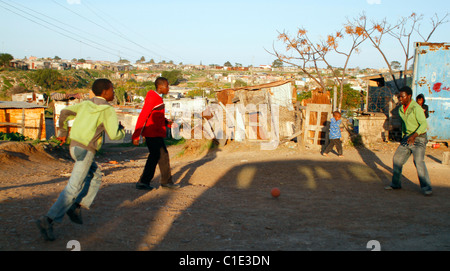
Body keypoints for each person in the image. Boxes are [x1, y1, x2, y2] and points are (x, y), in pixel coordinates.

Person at [36, 79, 125, 241]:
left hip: (74, 147)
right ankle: (48, 220)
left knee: (96, 175)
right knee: (74, 187)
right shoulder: (107, 109)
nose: (113, 92)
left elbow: (64, 113)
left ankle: (76, 206)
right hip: (86, 150)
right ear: (105, 92)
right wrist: (121, 131)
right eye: (112, 89)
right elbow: (114, 135)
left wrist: (62, 132)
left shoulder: (85, 104)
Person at [132, 77, 179, 190]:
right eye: (167, 86)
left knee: (155, 156)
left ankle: (145, 181)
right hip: (152, 133)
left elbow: (156, 116)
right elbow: (144, 115)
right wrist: (136, 135)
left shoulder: (157, 98)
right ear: (160, 87)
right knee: (161, 155)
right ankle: (164, 182)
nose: (168, 88)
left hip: (155, 133)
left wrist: (167, 122)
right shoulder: (153, 98)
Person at [385, 86, 432, 196]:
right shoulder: (401, 109)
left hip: (419, 137)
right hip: (408, 137)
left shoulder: (416, 108)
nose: (400, 99)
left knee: (418, 161)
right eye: (399, 97)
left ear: (409, 96)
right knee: (397, 159)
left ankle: (426, 187)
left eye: (402, 96)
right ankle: (395, 184)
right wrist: (404, 136)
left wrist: (414, 136)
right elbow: (404, 124)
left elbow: (423, 124)